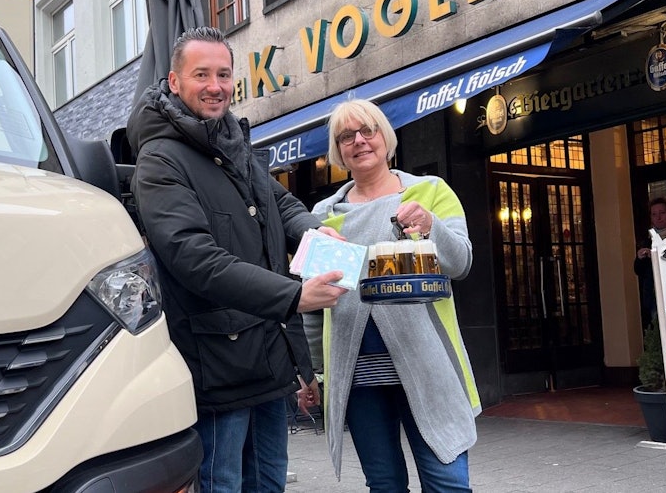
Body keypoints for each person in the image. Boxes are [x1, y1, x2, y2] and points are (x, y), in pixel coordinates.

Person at [127, 26, 348, 493]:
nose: (214, 86)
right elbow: (194, 258)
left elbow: (281, 204)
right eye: (201, 74)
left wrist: (311, 229)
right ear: (173, 81)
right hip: (216, 364)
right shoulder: (160, 159)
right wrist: (294, 295)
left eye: (223, 74)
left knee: (269, 483)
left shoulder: (233, 145)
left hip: (268, 356)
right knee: (222, 484)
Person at [307, 99, 480, 493]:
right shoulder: (323, 214)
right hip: (358, 376)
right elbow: (314, 306)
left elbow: (461, 263)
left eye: (368, 130)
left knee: (447, 481)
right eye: (346, 136)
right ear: (338, 151)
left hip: (427, 363)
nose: (359, 141)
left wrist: (431, 226)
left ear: (385, 136)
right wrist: (313, 371)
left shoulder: (430, 192)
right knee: (384, 485)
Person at [633, 197, 666, 331]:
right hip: (655, 296)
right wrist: (640, 258)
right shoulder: (647, 238)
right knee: (658, 332)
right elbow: (639, 271)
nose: (658, 217)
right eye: (654, 214)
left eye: (662, 213)